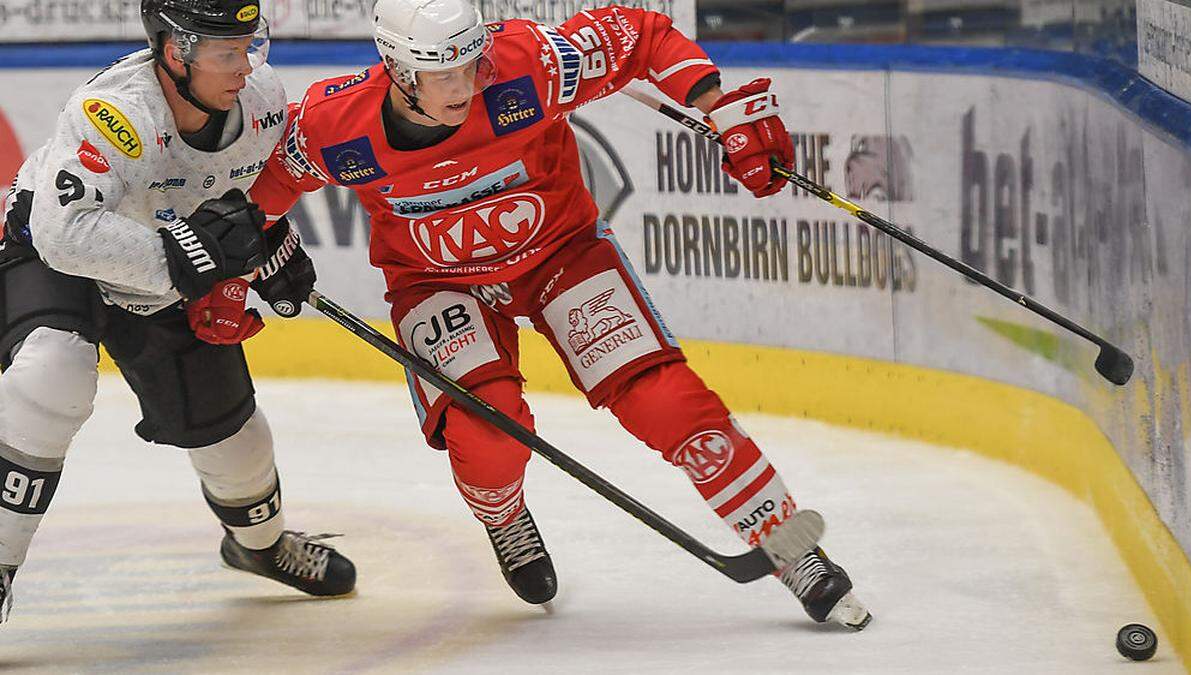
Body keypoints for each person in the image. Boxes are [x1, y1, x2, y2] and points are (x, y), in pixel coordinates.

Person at [253, 0, 869, 629]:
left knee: (667, 402)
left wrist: (716, 101)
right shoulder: (332, 125)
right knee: (486, 438)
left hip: (562, 256)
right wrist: (246, 253)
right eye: (444, 73)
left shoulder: (529, 63)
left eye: (472, 64)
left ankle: (793, 549)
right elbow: (259, 195)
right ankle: (504, 516)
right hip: (436, 282)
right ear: (399, 70)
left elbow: (643, 33)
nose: (466, 85)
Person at [0, 0, 355, 623]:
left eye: (250, 46)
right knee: (50, 376)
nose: (244, 67)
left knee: (236, 442)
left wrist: (267, 247)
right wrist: (190, 258)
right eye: (226, 52)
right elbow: (64, 233)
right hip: (56, 255)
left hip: (162, 265)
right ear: (175, 52)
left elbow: (241, 200)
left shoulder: (262, 99)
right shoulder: (113, 114)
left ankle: (261, 549)